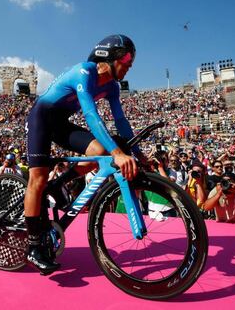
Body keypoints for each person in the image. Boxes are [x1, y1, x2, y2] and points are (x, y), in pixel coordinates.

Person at [24, 34, 146, 275]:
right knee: (37, 179)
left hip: (60, 123)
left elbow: (120, 120)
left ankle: (59, 184)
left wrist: (138, 153)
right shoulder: (84, 72)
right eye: (127, 61)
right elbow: (91, 115)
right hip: (41, 118)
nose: (129, 67)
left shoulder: (111, 87)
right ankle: (34, 246)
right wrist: (118, 152)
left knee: (99, 153)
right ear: (109, 58)